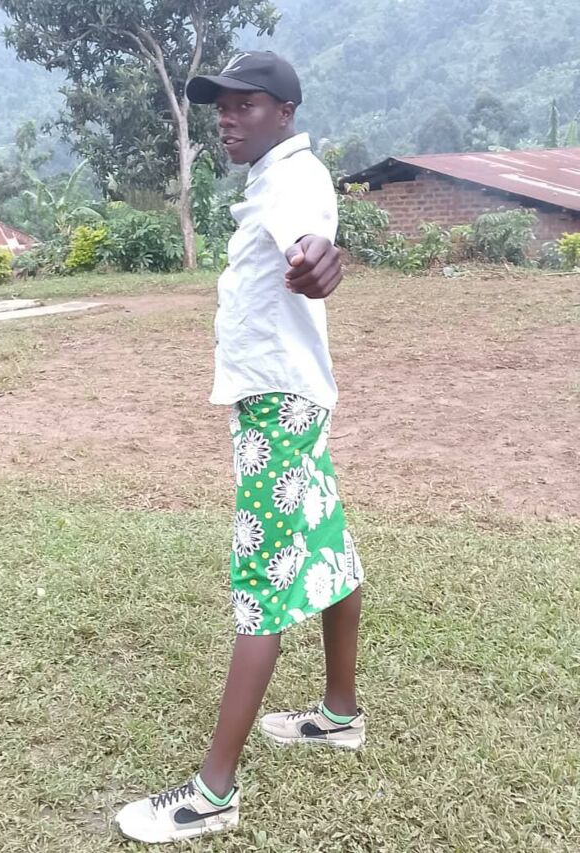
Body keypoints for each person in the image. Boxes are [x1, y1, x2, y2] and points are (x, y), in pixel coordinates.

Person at [115, 50, 365, 845]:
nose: (227, 117)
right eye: (220, 105)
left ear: (285, 113)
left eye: (245, 104)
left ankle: (213, 792)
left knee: (260, 583)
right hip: (295, 398)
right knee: (331, 551)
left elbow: (309, 235)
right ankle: (339, 713)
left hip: (277, 409)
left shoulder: (294, 178)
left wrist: (316, 257)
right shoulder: (272, 177)